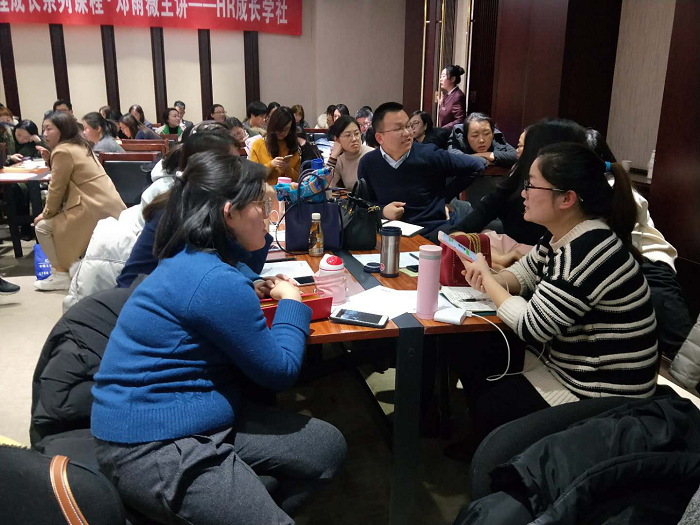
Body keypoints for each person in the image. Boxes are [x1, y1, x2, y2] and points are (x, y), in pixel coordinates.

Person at [91, 151, 347, 524]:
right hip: (151, 442)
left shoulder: (195, 258)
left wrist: (252, 283)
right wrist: (293, 303)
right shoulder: (213, 280)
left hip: (192, 416)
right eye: (261, 205)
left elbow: (227, 275)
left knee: (325, 448)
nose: (268, 215)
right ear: (229, 213)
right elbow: (281, 370)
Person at [450, 142, 658, 458]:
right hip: (569, 368)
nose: (523, 193)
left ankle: (495, 451)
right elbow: (524, 273)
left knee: (492, 401)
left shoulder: (588, 251)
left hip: (600, 396)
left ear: (567, 199)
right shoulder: (562, 235)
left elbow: (533, 326)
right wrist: (489, 275)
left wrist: (489, 282)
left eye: (531, 185)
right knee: (470, 346)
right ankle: (482, 436)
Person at [586, 128, 692, 359]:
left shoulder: (614, 190)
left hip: (648, 264)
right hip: (621, 265)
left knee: (683, 352)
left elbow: (618, 244)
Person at [431, 118, 589, 252]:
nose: (517, 152)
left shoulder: (582, 233)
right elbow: (459, 232)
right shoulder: (514, 186)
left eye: (523, 147)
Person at [358, 102, 486, 236]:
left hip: (431, 229)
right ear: (379, 138)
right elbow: (363, 205)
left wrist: (444, 198)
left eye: (408, 126)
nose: (407, 133)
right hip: (390, 231)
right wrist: (383, 210)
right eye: (398, 129)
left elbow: (476, 165)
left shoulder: (429, 154)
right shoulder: (368, 163)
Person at [32, 111, 125, 291]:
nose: (45, 133)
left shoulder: (62, 150)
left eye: (49, 128)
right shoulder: (80, 145)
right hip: (108, 205)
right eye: (43, 129)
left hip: (91, 209)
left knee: (42, 227)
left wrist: (46, 214)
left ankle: (60, 275)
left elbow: (56, 189)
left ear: (63, 129)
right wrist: (50, 160)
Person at [249, 106, 301, 184]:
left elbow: (298, 179)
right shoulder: (258, 145)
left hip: (288, 190)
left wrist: (288, 170)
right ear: (273, 126)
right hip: (266, 189)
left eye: (287, 129)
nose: (283, 132)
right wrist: (271, 165)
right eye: (280, 128)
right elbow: (253, 176)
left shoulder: (292, 145)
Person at [448, 112, 517, 168]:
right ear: (466, 136)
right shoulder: (458, 138)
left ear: (492, 133)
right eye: (475, 135)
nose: (481, 140)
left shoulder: (497, 138)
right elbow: (456, 159)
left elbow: (516, 156)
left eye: (486, 134)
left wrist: (485, 155)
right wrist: (488, 161)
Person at [328, 116, 373, 190]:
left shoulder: (372, 154)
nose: (354, 139)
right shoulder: (339, 161)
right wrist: (333, 156)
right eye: (348, 135)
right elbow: (325, 187)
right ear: (337, 140)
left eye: (356, 133)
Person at [437, 65, 466, 129]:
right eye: (441, 76)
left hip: (450, 133)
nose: (440, 79)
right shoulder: (448, 94)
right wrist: (441, 104)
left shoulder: (457, 96)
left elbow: (460, 120)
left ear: (453, 79)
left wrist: (443, 129)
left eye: (443, 76)